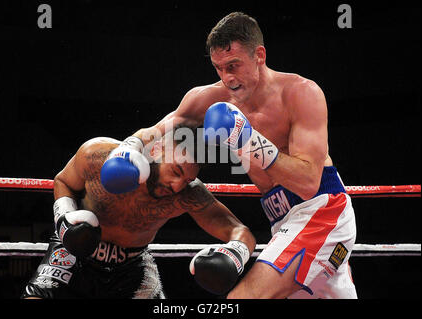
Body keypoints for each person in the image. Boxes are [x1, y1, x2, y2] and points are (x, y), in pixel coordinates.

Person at [134, 12, 357, 299]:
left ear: (259, 55)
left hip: (321, 211)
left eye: (234, 66)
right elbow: (161, 127)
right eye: (219, 68)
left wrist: (249, 141)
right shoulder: (209, 98)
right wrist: (126, 149)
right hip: (281, 219)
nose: (227, 78)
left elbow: (308, 182)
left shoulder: (301, 94)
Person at [21, 127, 256, 298]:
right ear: (157, 148)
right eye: (176, 171)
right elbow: (63, 181)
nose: (177, 186)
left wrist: (233, 255)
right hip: (75, 251)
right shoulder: (98, 156)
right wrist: (64, 221)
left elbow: (240, 231)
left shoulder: (187, 194)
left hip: (132, 266)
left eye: (187, 179)